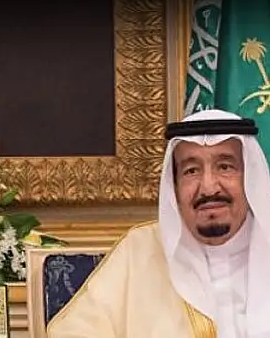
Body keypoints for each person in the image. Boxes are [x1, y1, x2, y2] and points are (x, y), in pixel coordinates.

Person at [46, 109, 270, 338]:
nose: (208, 187)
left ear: (250, 177)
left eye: (225, 167)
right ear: (174, 186)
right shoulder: (139, 250)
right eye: (191, 171)